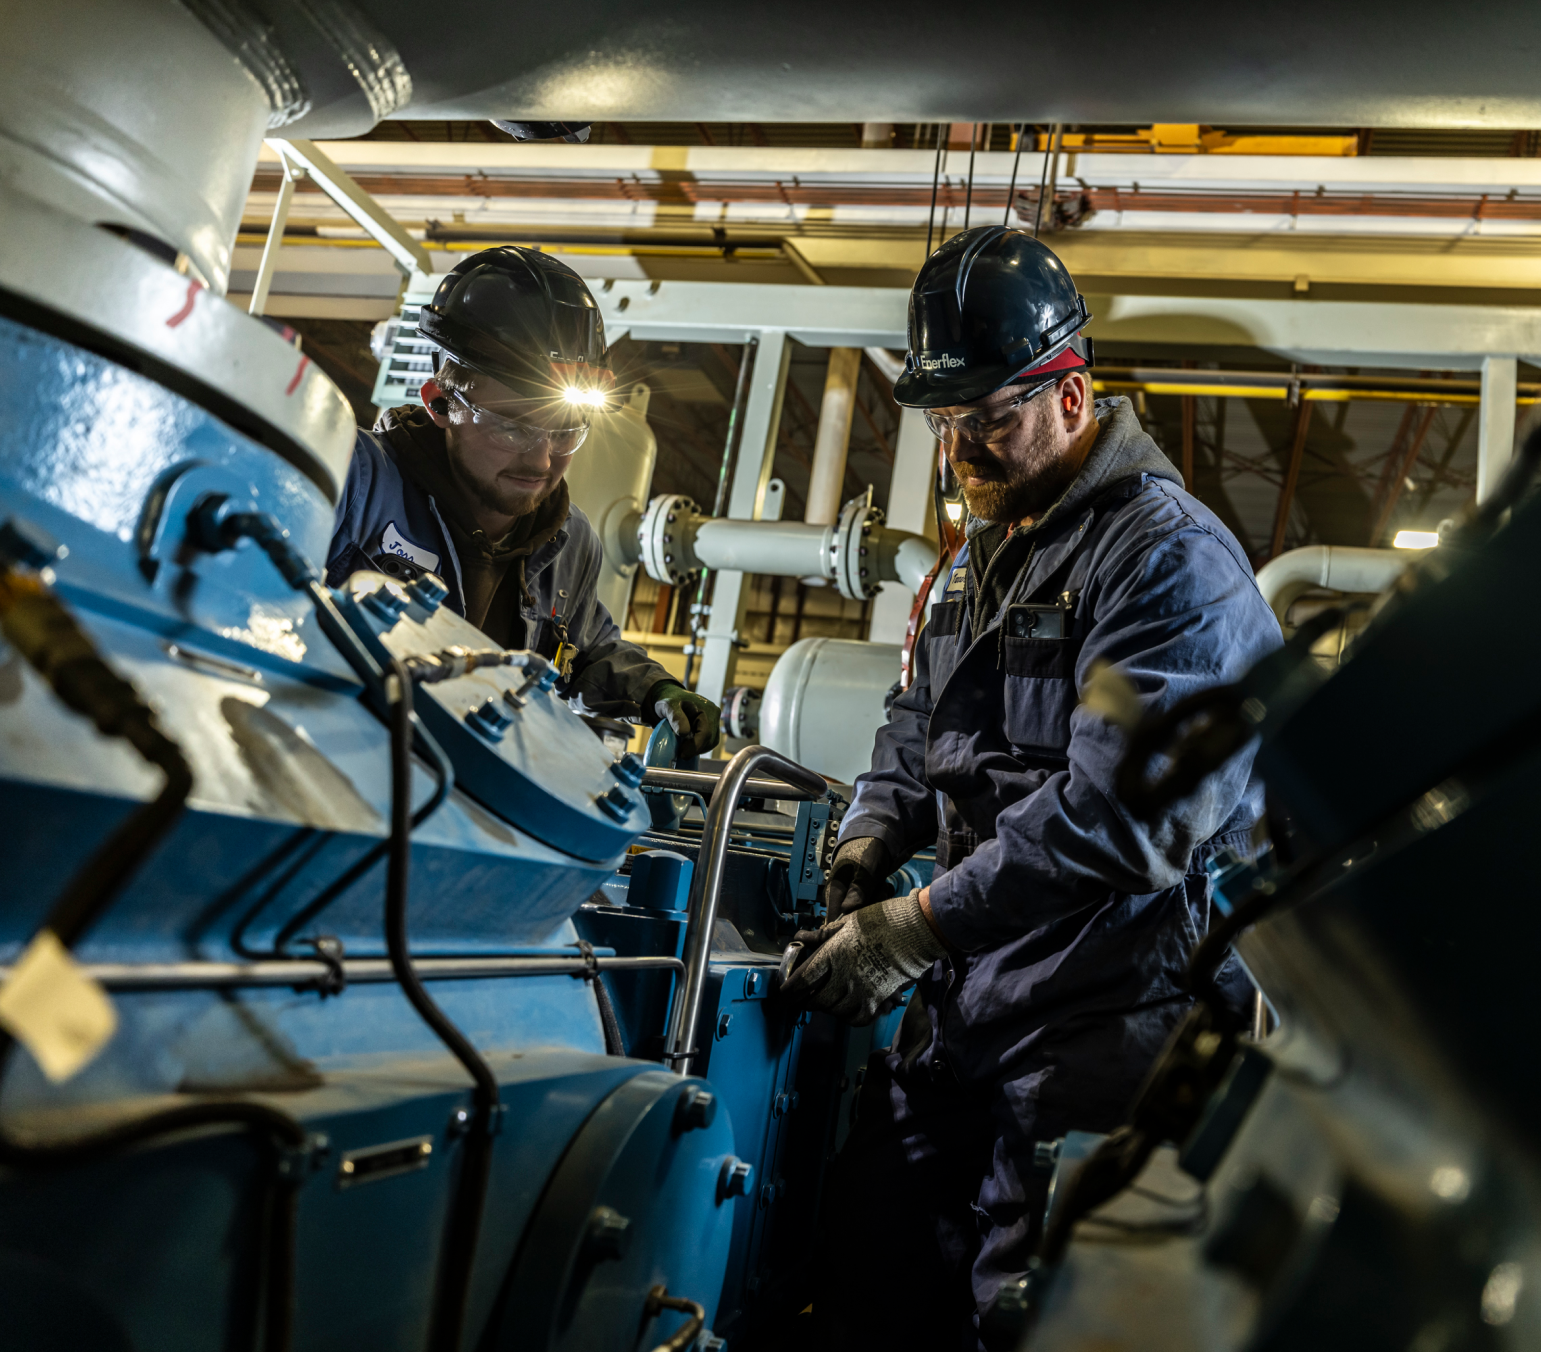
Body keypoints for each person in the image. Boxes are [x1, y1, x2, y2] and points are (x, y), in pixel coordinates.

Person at [780, 226, 1282, 1349]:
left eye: (988, 418)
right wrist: (869, 837)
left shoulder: (1168, 563)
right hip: (966, 1016)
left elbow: (1124, 819)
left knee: (1035, 1322)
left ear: (1072, 390)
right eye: (942, 420)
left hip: (1110, 1030)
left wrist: (911, 923)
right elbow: (916, 723)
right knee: (870, 1276)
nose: (959, 450)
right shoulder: (976, 560)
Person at [324, 246, 719, 754]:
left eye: (566, 432)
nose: (541, 461)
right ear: (441, 403)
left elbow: (584, 654)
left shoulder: (568, 542)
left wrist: (654, 690)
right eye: (513, 427)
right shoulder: (355, 480)